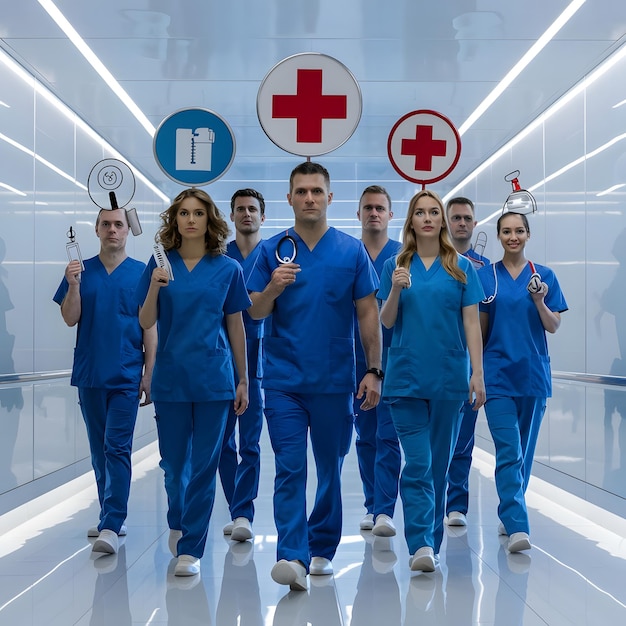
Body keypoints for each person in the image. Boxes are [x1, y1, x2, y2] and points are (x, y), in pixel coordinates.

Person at [247, 161, 382, 591]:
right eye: (301, 191)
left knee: (329, 467)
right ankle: (291, 554)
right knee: (289, 468)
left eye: (316, 191)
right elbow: (254, 310)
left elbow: (367, 314)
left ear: (329, 198)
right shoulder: (271, 250)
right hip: (284, 380)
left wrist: (374, 370)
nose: (309, 198)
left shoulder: (350, 251)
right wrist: (272, 288)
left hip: (334, 379)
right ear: (288, 199)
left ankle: (322, 543)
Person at [136, 188, 250, 577]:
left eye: (198, 213)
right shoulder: (157, 266)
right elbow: (145, 320)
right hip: (170, 378)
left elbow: (235, 326)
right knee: (173, 465)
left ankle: (192, 548)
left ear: (209, 220)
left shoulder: (228, 269)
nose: (190, 220)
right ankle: (179, 519)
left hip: (214, 379)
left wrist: (244, 379)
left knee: (204, 466)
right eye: (183, 213)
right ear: (174, 220)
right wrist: (154, 285)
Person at [378, 189, 485, 573]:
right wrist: (394, 288)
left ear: (441, 220)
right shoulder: (396, 264)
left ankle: (431, 544)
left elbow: (471, 322)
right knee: (419, 464)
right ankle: (420, 543)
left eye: (433, 212)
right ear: (410, 221)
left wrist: (477, 373)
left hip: (448, 379)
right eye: (420, 212)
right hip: (405, 378)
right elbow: (386, 321)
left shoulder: (461, 267)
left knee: (438, 467)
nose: (427, 218)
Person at [53, 207, 157, 555]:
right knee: (99, 452)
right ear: (97, 230)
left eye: (119, 224)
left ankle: (112, 522)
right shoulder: (82, 272)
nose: (113, 230)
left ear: (128, 230)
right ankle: (107, 515)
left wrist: (149, 372)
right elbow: (70, 318)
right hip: (90, 374)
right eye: (106, 225)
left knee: (117, 447)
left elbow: (149, 326)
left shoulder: (142, 274)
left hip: (126, 374)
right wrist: (72, 286)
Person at [478, 211, 567, 553]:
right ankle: (517, 525)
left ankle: (509, 510)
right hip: (497, 375)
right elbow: (480, 331)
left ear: (528, 235)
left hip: (532, 374)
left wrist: (538, 300)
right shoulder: (487, 277)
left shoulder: (544, 277)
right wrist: (475, 371)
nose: (512, 236)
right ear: (499, 236)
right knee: (508, 451)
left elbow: (554, 326)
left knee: (524, 454)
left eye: (518, 231)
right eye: (506, 231)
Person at [353, 185, 402, 537]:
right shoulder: (349, 255)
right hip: (354, 358)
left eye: (380, 208)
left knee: (389, 434)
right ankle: (372, 502)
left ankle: (384, 509)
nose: (374, 213)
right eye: (368, 207)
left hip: (396, 359)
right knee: (365, 434)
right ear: (359, 214)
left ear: (390, 215)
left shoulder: (405, 256)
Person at [219, 188, 266, 542]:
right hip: (223, 358)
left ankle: (244, 513)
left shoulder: (274, 256)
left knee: (250, 441)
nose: (246, 214)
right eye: (240, 209)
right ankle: (236, 507)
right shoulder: (220, 257)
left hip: (261, 359)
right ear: (231, 217)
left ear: (262, 217)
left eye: (252, 209)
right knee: (221, 443)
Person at [444, 197, 490, 528]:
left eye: (467, 218)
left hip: (466, 366)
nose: (462, 223)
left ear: (474, 224)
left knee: (462, 441)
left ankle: (455, 504)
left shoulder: (485, 270)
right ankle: (428, 501)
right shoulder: (429, 262)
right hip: (434, 363)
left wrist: (478, 370)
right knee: (429, 444)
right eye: (456, 217)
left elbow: (483, 322)